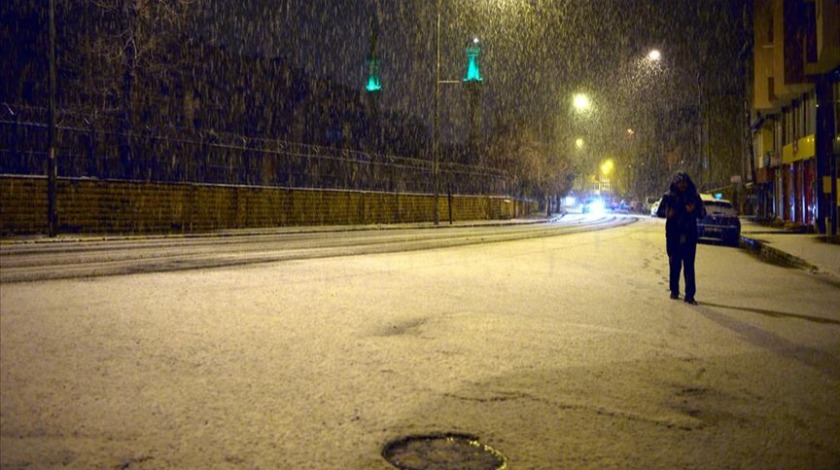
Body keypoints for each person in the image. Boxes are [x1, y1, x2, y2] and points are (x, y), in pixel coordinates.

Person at [657, 172, 706, 305]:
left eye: (684, 182)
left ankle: (690, 295)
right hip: (674, 234)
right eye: (679, 183)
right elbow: (659, 212)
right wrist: (668, 213)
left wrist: (694, 210)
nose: (682, 185)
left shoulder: (693, 196)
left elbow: (702, 213)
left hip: (689, 234)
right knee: (674, 264)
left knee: (689, 265)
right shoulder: (669, 196)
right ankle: (674, 290)